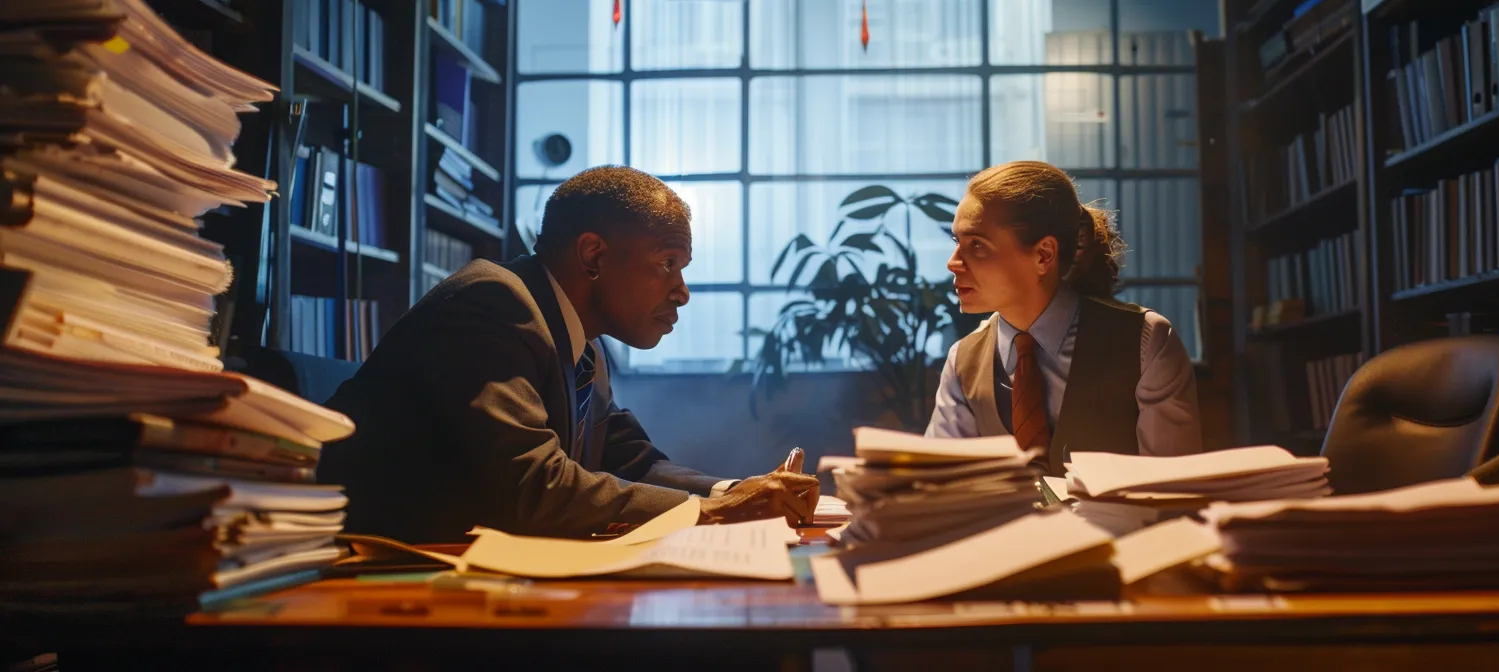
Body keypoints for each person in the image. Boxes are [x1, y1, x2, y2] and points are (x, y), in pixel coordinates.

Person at [320, 166, 818, 543]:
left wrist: (734, 491)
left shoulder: (585, 349)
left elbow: (632, 463)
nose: (682, 292)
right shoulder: (492, 303)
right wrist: (712, 513)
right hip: (362, 577)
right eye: (668, 264)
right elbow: (533, 485)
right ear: (592, 255)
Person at [926, 161, 1205, 475]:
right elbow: (940, 490)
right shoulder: (963, 360)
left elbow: (1171, 493)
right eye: (957, 243)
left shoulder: (1145, 343)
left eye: (977, 245)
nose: (953, 263)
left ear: (1043, 255)